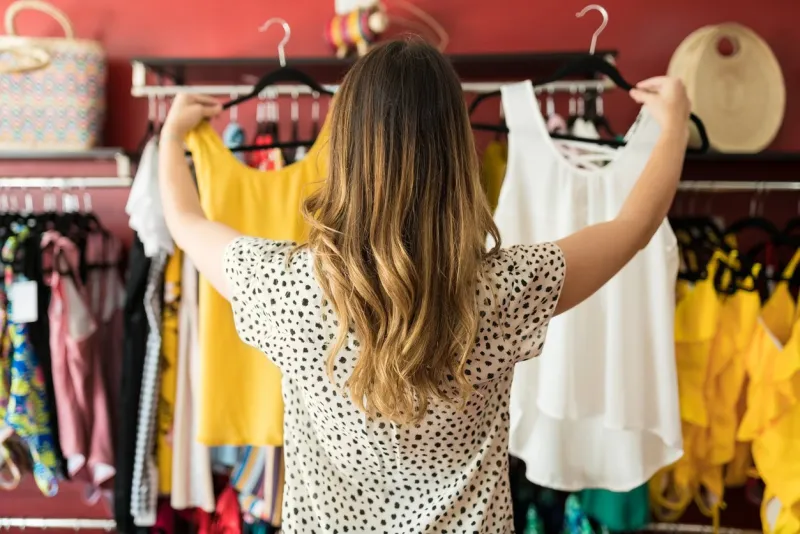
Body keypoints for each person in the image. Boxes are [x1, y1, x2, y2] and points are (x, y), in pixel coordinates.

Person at [158, 40, 690, 533]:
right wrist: (673, 129)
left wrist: (172, 136)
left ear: (343, 150)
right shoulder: (502, 291)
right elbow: (632, 229)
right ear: (456, 153)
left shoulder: (290, 287)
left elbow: (185, 221)